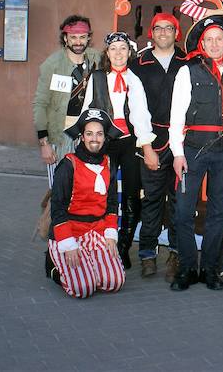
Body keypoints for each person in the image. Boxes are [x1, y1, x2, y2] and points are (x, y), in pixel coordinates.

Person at [168, 14, 223, 291]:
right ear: (203, 43)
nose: (214, 44)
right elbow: (176, 116)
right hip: (192, 149)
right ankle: (187, 268)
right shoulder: (187, 71)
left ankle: (211, 269)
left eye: (219, 39)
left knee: (218, 212)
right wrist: (177, 154)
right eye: (209, 40)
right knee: (182, 211)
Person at [79, 32, 158, 271]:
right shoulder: (98, 78)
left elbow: (142, 114)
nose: (118, 53)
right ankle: (102, 243)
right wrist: (87, 141)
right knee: (105, 191)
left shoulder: (135, 79)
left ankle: (123, 246)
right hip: (105, 142)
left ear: (129, 52)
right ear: (107, 53)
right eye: (114, 49)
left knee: (133, 194)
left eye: (123, 49)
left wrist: (146, 144)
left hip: (129, 143)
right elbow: (88, 110)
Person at [130, 13, 187, 280]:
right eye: (158, 28)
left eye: (169, 28)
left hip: (181, 145)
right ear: (151, 33)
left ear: (177, 33)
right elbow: (135, 109)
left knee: (179, 201)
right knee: (152, 200)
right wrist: (147, 147)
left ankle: (176, 253)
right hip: (150, 142)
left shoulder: (189, 61)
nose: (163, 32)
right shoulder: (138, 64)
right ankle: (148, 255)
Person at [47, 108, 125, 299]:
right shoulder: (68, 165)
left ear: (105, 137)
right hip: (71, 233)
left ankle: (89, 265)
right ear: (82, 137)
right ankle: (53, 266)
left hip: (97, 231)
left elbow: (112, 203)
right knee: (83, 289)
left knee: (114, 282)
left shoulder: (108, 163)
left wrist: (110, 234)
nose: (94, 139)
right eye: (89, 134)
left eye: (99, 134)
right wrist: (68, 243)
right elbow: (57, 207)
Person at [33, 15, 100, 187]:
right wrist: (44, 143)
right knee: (60, 189)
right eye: (73, 37)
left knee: (87, 187)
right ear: (65, 38)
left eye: (82, 37)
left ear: (88, 38)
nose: (78, 42)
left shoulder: (96, 59)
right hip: (61, 136)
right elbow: (40, 104)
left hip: (89, 135)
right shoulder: (52, 65)